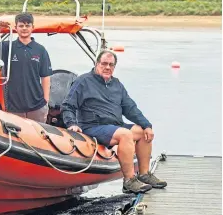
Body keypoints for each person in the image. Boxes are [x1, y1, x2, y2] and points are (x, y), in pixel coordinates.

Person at [61, 50, 167, 194]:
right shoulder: (83, 81)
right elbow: (68, 105)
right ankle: (129, 180)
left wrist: (147, 124)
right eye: (104, 64)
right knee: (125, 134)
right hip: (93, 126)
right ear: (96, 64)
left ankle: (144, 174)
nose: (107, 67)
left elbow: (130, 108)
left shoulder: (116, 84)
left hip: (114, 125)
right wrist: (71, 123)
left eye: (111, 65)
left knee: (143, 132)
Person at [0, 13, 52, 122]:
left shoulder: (40, 50)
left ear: (32, 27)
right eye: (21, 26)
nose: (24, 28)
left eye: (27, 25)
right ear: (16, 28)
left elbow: (45, 76)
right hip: (14, 105)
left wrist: (46, 101)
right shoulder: (8, 47)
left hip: (37, 105)